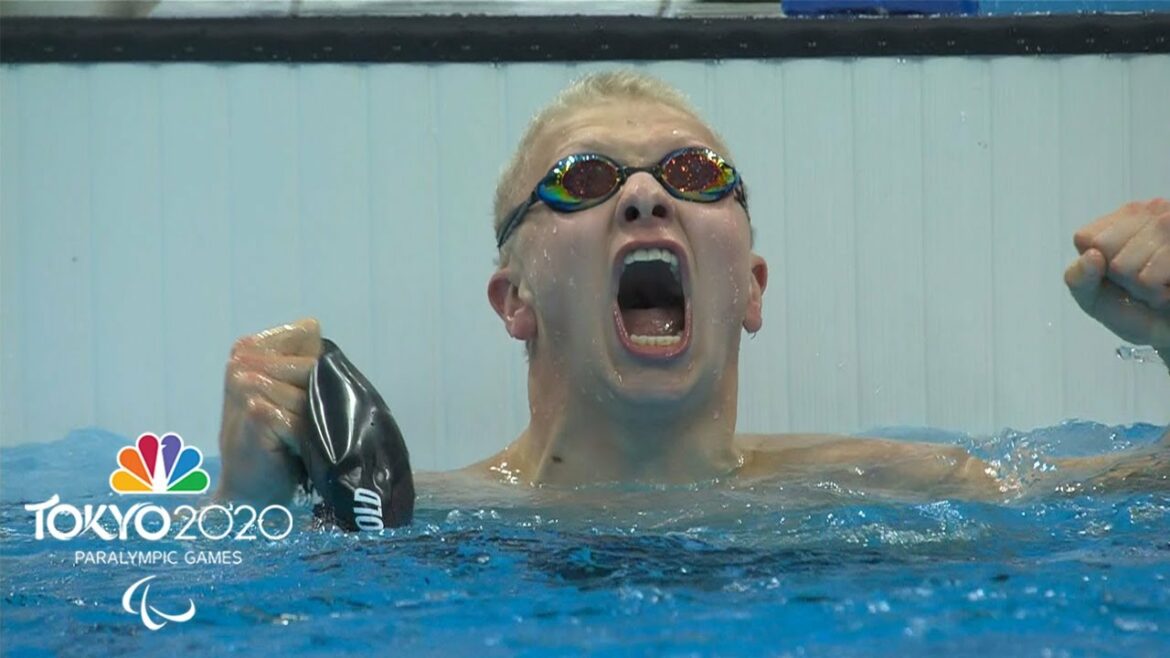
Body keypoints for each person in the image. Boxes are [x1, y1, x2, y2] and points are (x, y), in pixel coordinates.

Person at [215, 70, 1169, 507]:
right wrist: (247, 499)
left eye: (696, 175)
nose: (644, 196)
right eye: (585, 179)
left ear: (750, 288)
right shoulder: (412, 517)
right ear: (515, 300)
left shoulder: (907, 488)